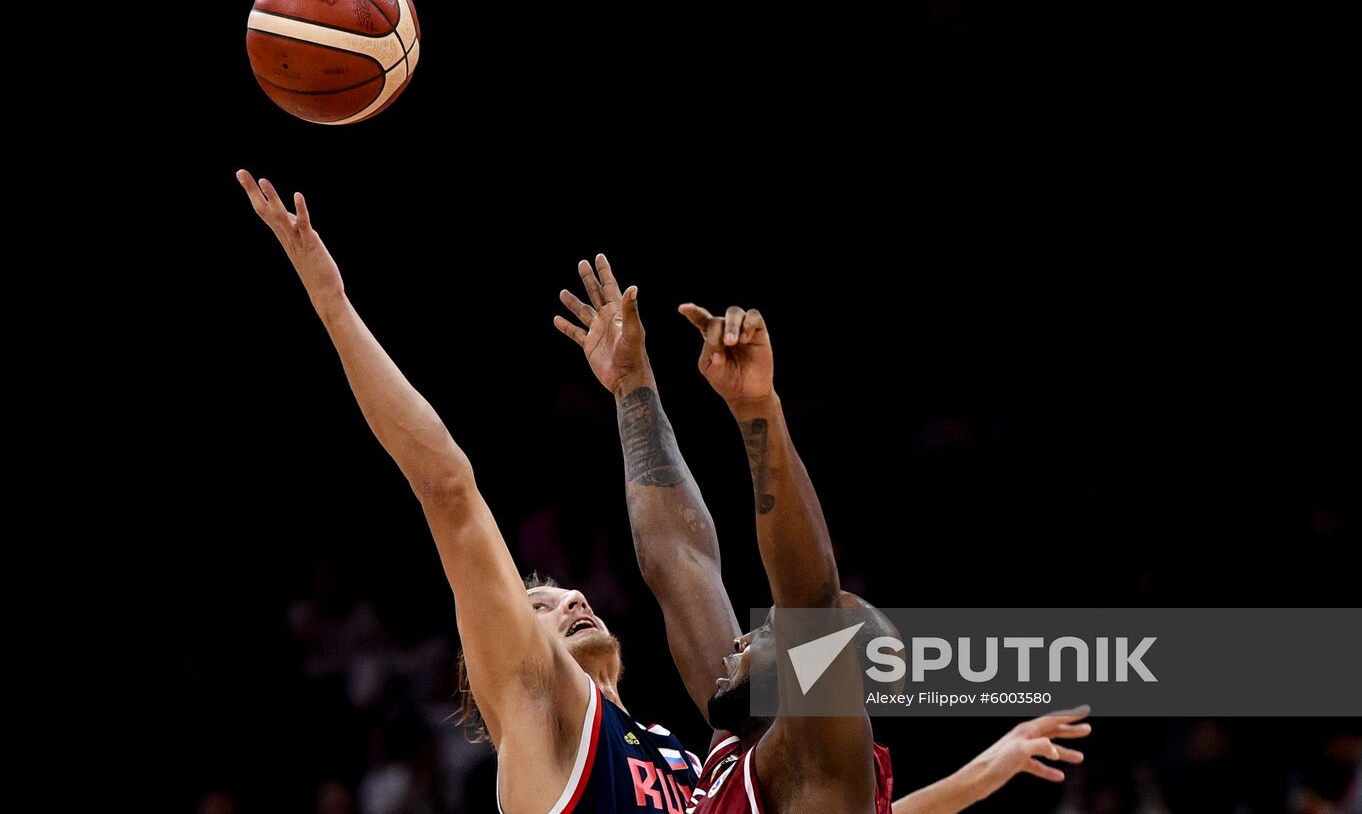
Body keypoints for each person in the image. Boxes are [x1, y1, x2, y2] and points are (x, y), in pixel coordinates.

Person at [235, 173, 702, 814]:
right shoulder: (538, 698)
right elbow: (449, 490)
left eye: (561, 593)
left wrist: (641, 390)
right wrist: (333, 304)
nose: (572, 596)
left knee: (840, 654)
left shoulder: (693, 765)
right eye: (538, 602)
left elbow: (682, 559)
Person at [555, 256, 1091, 813]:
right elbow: (677, 559)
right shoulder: (748, 748)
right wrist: (631, 383)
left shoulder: (812, 768)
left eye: (769, 632)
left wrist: (757, 410)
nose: (742, 636)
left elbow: (809, 597)